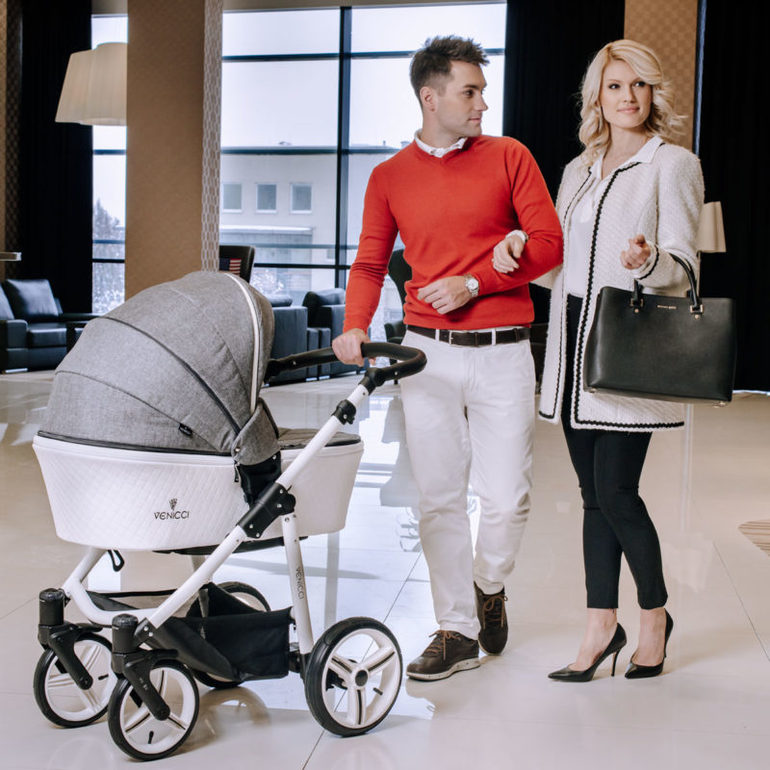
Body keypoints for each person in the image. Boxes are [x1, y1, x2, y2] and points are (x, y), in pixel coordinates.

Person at [333, 35, 562, 681]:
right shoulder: (389, 177)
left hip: (503, 352)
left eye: (483, 91)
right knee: (438, 497)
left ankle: (489, 584)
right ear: (430, 97)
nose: (482, 103)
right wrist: (354, 326)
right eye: (471, 91)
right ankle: (456, 629)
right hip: (425, 356)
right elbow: (370, 263)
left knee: (506, 498)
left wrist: (475, 283)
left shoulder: (510, 156)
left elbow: (549, 244)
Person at [494, 39, 704, 681]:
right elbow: (559, 265)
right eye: (615, 86)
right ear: (598, 97)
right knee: (593, 498)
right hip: (572, 348)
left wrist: (650, 261)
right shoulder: (577, 170)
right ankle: (600, 625)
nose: (627, 96)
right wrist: (520, 251)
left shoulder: (674, 164)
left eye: (638, 84)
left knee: (616, 491)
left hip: (626, 350)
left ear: (652, 92)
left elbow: (686, 265)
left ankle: (654, 616)